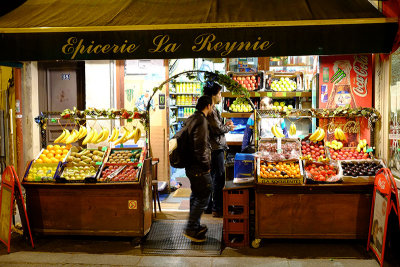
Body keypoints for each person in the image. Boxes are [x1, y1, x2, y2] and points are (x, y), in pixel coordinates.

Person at [182, 95, 214, 243]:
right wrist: (206, 166)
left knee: (196, 194)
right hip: (198, 166)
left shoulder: (191, 118)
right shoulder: (201, 120)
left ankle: (194, 226)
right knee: (204, 194)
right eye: (212, 105)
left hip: (190, 165)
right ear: (208, 106)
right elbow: (201, 147)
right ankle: (191, 228)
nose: (213, 108)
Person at [203, 81, 235, 218]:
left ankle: (209, 206)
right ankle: (216, 208)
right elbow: (217, 129)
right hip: (215, 147)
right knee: (219, 178)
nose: (221, 95)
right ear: (214, 94)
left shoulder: (212, 108)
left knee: (213, 177)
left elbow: (217, 126)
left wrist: (224, 124)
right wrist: (228, 127)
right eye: (220, 93)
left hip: (213, 146)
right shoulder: (210, 109)